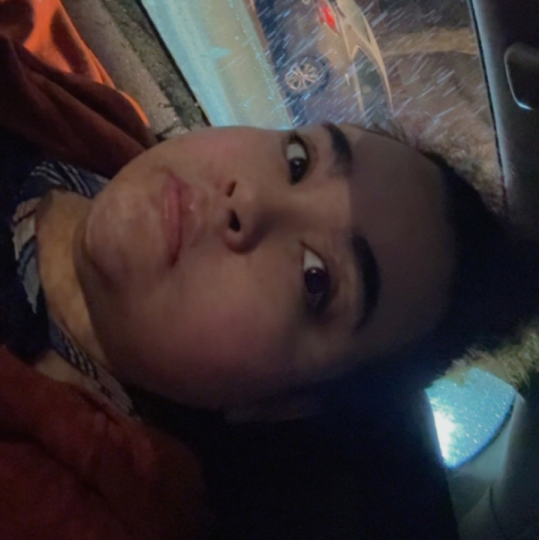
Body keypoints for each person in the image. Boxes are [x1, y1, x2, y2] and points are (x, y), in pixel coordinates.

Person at [0, 1, 536, 538]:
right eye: (298, 162)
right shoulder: (88, 119)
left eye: (315, 279)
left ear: (277, 405)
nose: (251, 201)